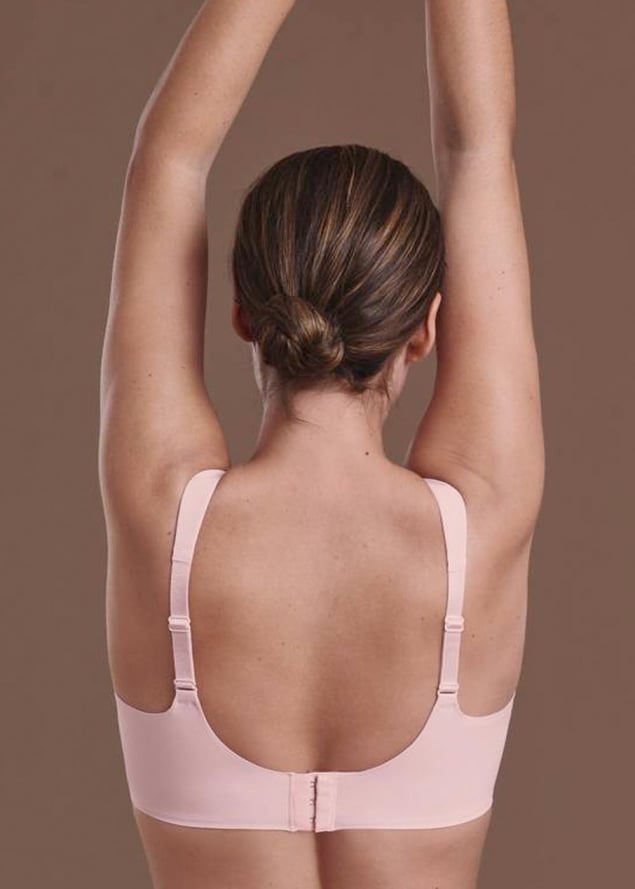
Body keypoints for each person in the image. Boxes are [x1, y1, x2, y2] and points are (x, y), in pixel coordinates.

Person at [99, 1, 544, 886]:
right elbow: (478, 151)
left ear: (243, 315)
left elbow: (168, 158)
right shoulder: (481, 520)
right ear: (426, 328)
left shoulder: (164, 511)